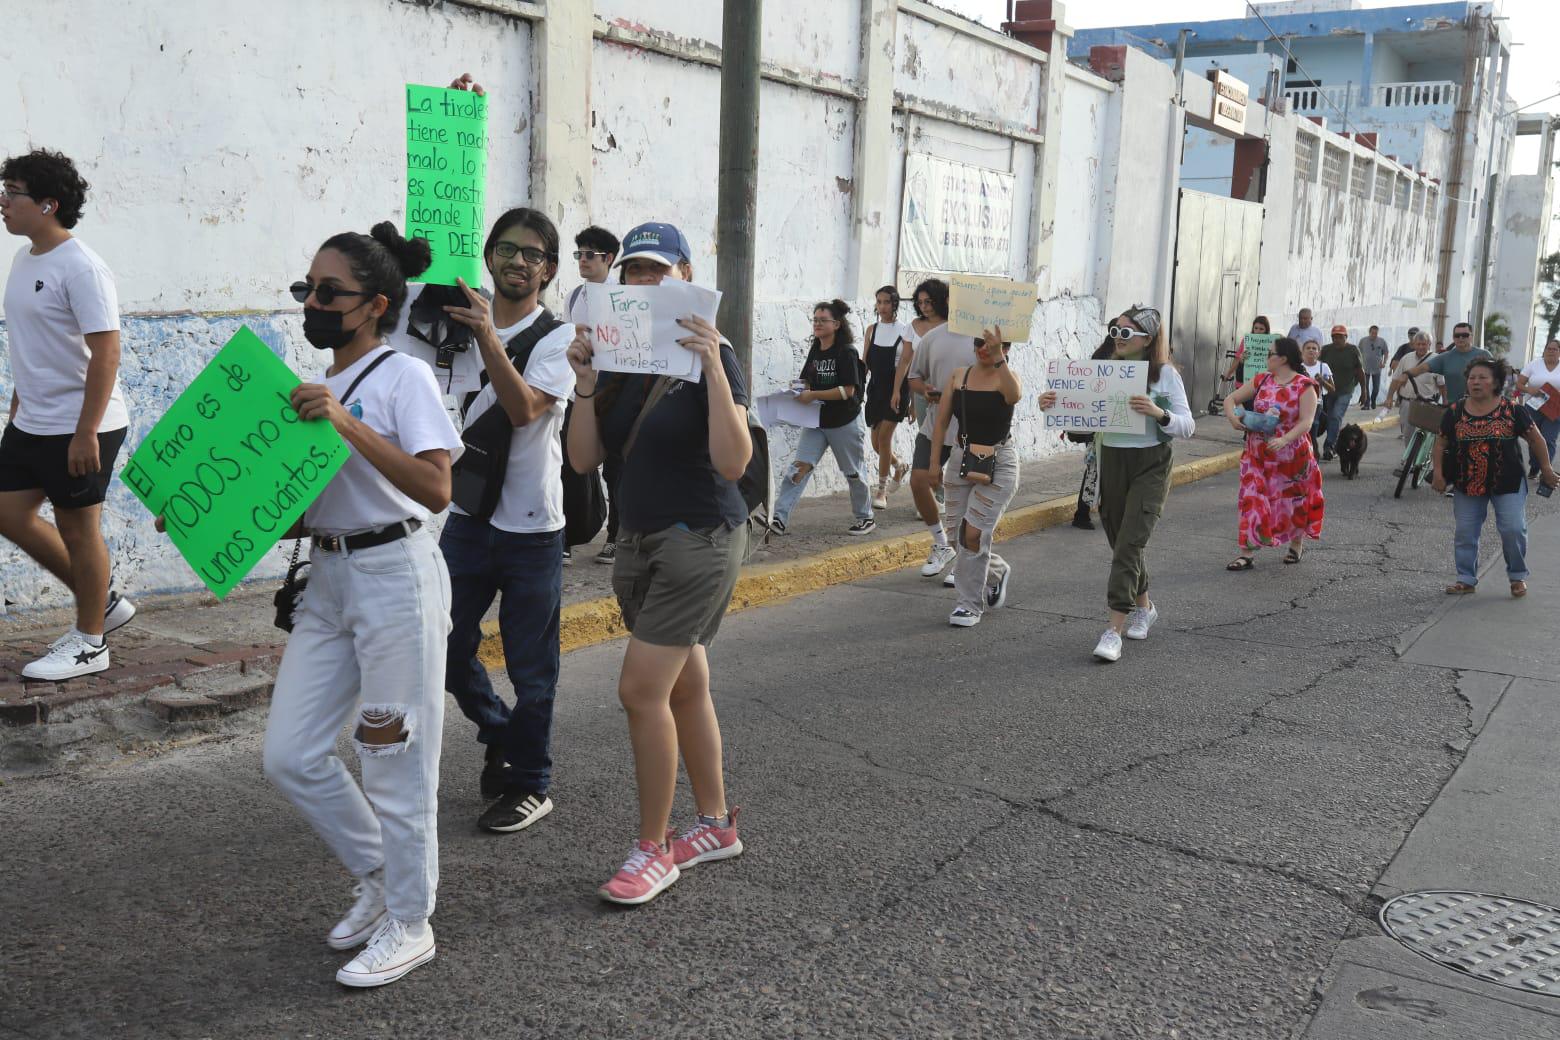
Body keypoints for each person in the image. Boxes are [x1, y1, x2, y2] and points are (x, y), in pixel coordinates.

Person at [256, 223, 462, 987]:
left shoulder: (401, 376)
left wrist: (345, 423)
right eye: (305, 289)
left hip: (394, 586)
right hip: (330, 582)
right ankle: (379, 873)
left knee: (392, 758)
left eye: (328, 292)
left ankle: (411, 921)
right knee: (290, 753)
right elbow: (303, 509)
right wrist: (210, 516)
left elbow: (437, 487)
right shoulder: (313, 390)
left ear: (374, 305)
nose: (312, 302)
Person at [563, 221, 751, 906]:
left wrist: (709, 366)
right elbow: (584, 460)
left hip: (699, 538)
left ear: (686, 276)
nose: (644, 283)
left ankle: (654, 848)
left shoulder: (716, 354)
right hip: (637, 537)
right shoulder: (617, 355)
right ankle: (714, 825)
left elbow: (734, 463)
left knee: (640, 691)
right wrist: (584, 381)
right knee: (683, 686)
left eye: (657, 271)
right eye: (633, 272)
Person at [435, 208, 576, 834]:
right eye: (508, 249)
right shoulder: (446, 322)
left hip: (532, 528)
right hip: (466, 516)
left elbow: (522, 411)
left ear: (548, 270)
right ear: (489, 256)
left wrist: (489, 336)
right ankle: (501, 732)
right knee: (443, 644)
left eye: (535, 254)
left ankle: (530, 781)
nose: (520, 261)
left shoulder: (559, 340)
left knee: (530, 664)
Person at [0, 149, 136, 681]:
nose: (3, 203)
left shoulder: (82, 267)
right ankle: (100, 601)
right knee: (7, 511)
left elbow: (107, 353)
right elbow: (33, 342)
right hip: (33, 420)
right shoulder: (25, 258)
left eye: (13, 194)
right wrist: (18, 402)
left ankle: (90, 643)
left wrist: (85, 434)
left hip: (83, 426)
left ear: (48, 204)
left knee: (80, 530)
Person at [1039, 306, 1194, 663]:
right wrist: (1052, 404)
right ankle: (1145, 607)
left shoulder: (1164, 376)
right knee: (1120, 540)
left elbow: (1187, 425)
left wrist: (1159, 413)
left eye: (1127, 333)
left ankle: (1113, 630)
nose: (1118, 339)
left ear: (1148, 339)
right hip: (1112, 461)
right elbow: (1080, 421)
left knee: (1129, 543)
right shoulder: (1103, 370)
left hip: (1151, 463)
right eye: (1115, 331)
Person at [1433, 358, 1559, 598]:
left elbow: (1536, 439)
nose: (1476, 382)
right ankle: (1466, 579)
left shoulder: (1513, 410)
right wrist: (1438, 474)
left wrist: (1547, 469)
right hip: (1466, 483)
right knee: (1465, 532)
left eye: (1482, 377)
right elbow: (1440, 443)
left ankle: (1517, 576)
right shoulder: (1454, 411)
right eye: (1472, 378)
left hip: (1508, 482)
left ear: (1496, 382)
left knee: (1513, 529)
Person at [928, 328, 1021, 627]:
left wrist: (998, 359)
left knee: (973, 534)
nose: (984, 348)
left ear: (1005, 348)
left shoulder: (1007, 377)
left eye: (993, 345)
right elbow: (941, 422)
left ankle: (968, 605)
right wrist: (934, 465)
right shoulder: (959, 376)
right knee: (958, 535)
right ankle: (996, 571)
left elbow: (1014, 395)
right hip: (961, 459)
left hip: (1000, 462)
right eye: (979, 343)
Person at [769, 300, 874, 536]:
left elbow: (848, 391)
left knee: (853, 472)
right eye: (815, 319)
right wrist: (795, 389)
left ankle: (865, 517)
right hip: (816, 421)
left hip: (844, 421)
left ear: (836, 324)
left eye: (822, 320)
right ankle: (779, 517)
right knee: (799, 467)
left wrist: (813, 394)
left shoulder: (847, 352)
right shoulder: (816, 349)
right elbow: (806, 379)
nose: (816, 324)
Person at [1221, 337, 1323, 569]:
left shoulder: (1305, 386)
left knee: (1292, 502)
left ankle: (1296, 545)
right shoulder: (1262, 379)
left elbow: (1307, 422)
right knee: (1251, 498)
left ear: (1283, 358)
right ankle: (1246, 553)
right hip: (1257, 453)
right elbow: (1231, 399)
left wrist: (1285, 439)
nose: (1266, 358)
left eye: (1270, 354)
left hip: (1291, 454)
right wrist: (1233, 417)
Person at [906, 279, 976, 579]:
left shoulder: (983, 341)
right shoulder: (932, 338)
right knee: (919, 481)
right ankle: (941, 544)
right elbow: (914, 378)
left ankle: (964, 558)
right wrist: (926, 391)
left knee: (969, 495)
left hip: (974, 428)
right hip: (936, 423)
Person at [563, 225, 624, 565]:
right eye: (580, 254)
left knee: (615, 468)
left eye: (590, 255)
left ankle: (616, 536)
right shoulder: (575, 297)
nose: (583, 260)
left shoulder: (624, 295)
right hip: (578, 393)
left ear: (609, 259)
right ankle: (570, 536)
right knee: (571, 466)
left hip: (614, 393)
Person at [860, 285, 913, 510]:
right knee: (876, 444)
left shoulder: (905, 331)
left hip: (897, 391)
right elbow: (865, 363)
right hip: (875, 391)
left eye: (886, 302)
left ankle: (881, 491)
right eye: (879, 302)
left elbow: (907, 364)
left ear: (895, 304)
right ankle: (899, 465)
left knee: (884, 439)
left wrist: (901, 395)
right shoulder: (871, 330)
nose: (882, 306)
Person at [1390, 320, 1490, 406]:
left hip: (1481, 408)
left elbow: (1497, 380)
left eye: (1465, 335)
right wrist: (1407, 374)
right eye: (1457, 335)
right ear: (1453, 337)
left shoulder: (1484, 355)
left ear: (1471, 336)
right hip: (1455, 409)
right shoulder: (1445, 357)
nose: (1460, 338)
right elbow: (1423, 368)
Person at [1317, 325, 1366, 461]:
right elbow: (1317, 365)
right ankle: (1336, 444)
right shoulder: (1326, 350)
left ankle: (1329, 446)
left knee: (1336, 415)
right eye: (1334, 337)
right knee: (1331, 417)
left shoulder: (1352, 350)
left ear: (1346, 337)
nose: (1337, 340)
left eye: (1340, 337)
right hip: (1328, 390)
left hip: (1346, 389)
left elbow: (1360, 372)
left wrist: (1364, 391)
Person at [1382, 331, 1442, 441]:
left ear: (1429, 344)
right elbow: (1395, 379)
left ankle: (1423, 457)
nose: (1421, 347)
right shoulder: (1406, 358)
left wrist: (1446, 402)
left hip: (1428, 404)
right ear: (1414, 344)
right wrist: (1389, 398)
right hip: (1407, 403)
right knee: (1407, 435)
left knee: (1425, 437)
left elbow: (1442, 385)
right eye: (1418, 344)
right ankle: (1409, 457)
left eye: (1424, 344)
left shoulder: (1437, 360)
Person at [1516, 340, 1560, 480]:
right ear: (1544, 350)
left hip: (1555, 407)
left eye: (1555, 349)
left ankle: (1546, 471)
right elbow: (1519, 384)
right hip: (1534, 405)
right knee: (1533, 438)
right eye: (1549, 348)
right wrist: (1530, 389)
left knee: (1549, 439)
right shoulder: (1534, 364)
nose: (1551, 351)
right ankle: (1535, 466)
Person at [1220, 315, 1272, 388]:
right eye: (1256, 328)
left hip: (1262, 384)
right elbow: (1237, 359)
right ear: (1253, 328)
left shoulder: (1271, 344)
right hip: (1243, 381)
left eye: (1261, 329)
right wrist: (1228, 374)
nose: (1258, 331)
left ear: (1266, 330)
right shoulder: (1246, 341)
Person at [1299, 340, 1334, 447]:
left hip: (1317, 403)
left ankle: (1314, 453)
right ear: (1302, 351)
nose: (1311, 350)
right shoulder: (1298, 367)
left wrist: (1322, 381)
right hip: (1299, 402)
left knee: (1313, 425)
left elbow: (1332, 389)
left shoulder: (1323, 367)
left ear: (1318, 352)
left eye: (1314, 348)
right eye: (1308, 348)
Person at [1359, 325, 1390, 408]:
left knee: (1376, 388)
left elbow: (1386, 353)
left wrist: (1384, 362)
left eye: (1376, 333)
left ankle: (1373, 400)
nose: (1374, 335)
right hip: (1365, 367)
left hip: (1377, 368)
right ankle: (1367, 403)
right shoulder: (1363, 341)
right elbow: (1358, 352)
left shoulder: (1381, 341)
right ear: (1369, 332)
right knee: (1365, 386)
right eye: (1372, 333)